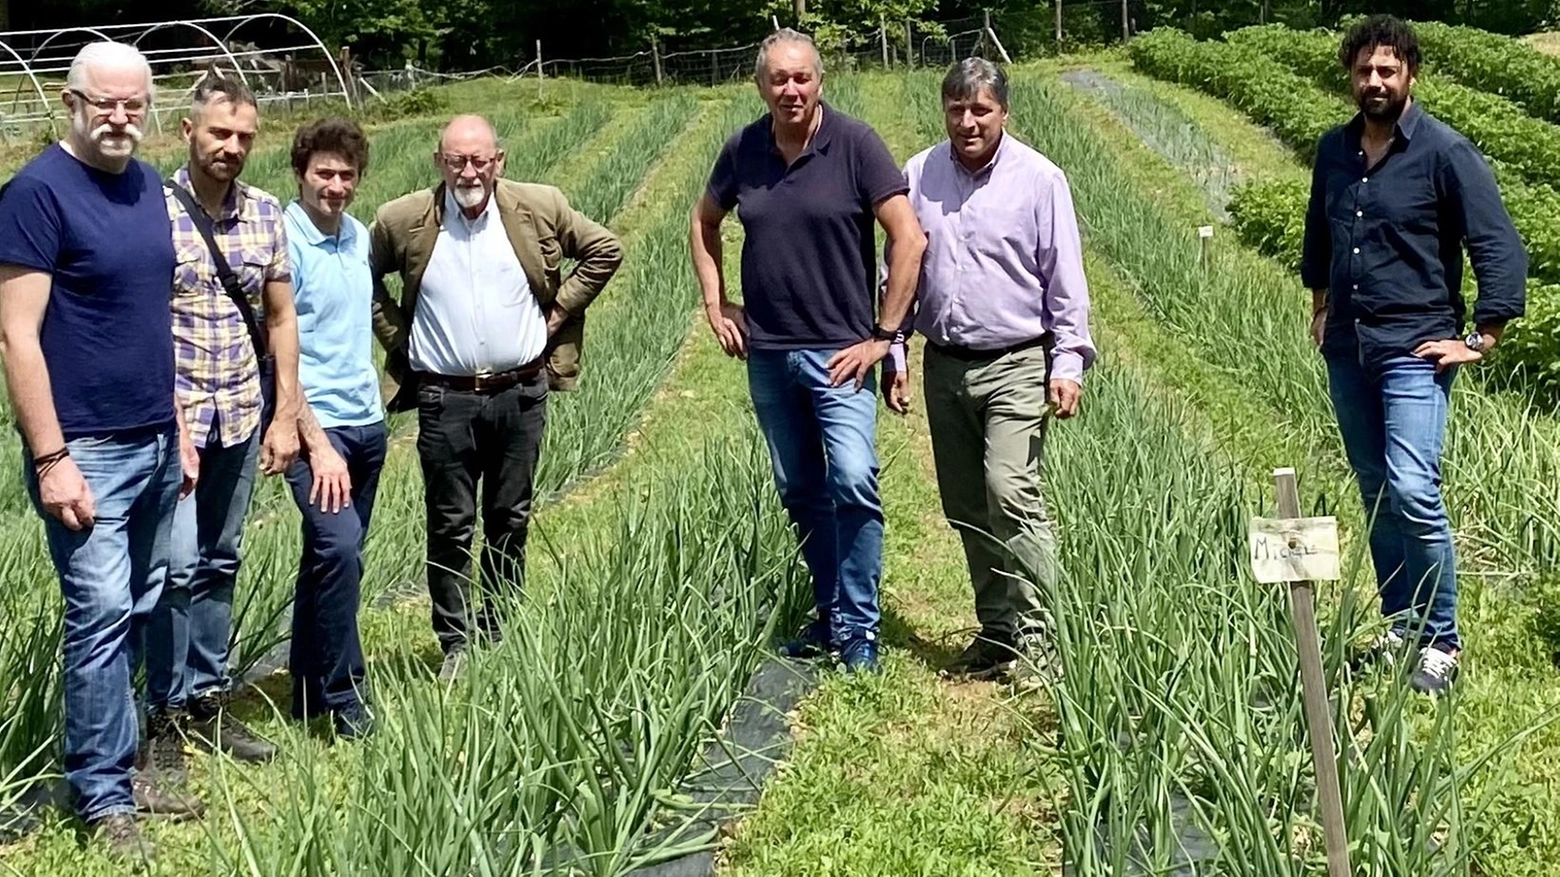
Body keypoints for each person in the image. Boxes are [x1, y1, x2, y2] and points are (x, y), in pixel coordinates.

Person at [0, 41, 201, 860]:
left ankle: (135, 765)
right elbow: (16, 335)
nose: (121, 117)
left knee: (150, 604)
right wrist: (51, 458)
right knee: (100, 621)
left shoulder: (148, 184)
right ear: (71, 101)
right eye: (104, 103)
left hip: (155, 436)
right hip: (87, 448)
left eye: (134, 104)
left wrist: (179, 426)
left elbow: (152, 315)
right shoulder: (35, 193)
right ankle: (102, 796)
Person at [689, 28, 928, 673]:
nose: (790, 89)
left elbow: (909, 239)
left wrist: (883, 336)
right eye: (778, 79)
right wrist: (717, 303)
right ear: (761, 85)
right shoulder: (743, 149)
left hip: (839, 352)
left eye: (802, 77)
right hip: (768, 352)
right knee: (800, 487)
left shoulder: (855, 144)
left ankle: (860, 628)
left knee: (852, 479)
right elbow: (703, 221)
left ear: (819, 81)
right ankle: (830, 615)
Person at [1302, 15, 1527, 694]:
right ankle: (1402, 624)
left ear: (1410, 76)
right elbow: (1320, 235)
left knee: (1411, 487)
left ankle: (1443, 641)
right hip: (1350, 346)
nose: (1375, 81)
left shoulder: (1444, 152)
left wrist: (1482, 335)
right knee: (1376, 492)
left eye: (1387, 70)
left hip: (1415, 349)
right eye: (1365, 70)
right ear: (1351, 75)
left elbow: (1499, 246)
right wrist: (1318, 306)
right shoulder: (1335, 152)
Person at [370, 114, 624, 679]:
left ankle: (499, 626)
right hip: (445, 398)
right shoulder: (403, 219)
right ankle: (456, 642)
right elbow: (360, 277)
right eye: (457, 160)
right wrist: (402, 341)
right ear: (439, 162)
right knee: (451, 522)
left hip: (521, 393)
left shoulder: (538, 207)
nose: (469, 171)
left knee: (509, 516)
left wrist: (557, 315)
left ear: (498, 160)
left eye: (479, 159)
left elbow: (605, 249)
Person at [883, 58, 1094, 684]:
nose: (968, 121)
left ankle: (1043, 634)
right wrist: (893, 346)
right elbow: (899, 265)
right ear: (944, 110)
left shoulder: (1039, 180)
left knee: (1010, 492)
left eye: (981, 110)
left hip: (1018, 360)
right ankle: (998, 630)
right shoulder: (918, 175)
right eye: (957, 109)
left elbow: (1065, 278)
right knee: (966, 505)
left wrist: (1069, 361)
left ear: (1003, 112)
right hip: (945, 363)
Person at [142, 76, 302, 777]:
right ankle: (164, 712)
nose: (231, 147)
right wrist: (166, 419)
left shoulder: (266, 213)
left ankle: (209, 697)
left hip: (240, 410)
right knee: (173, 567)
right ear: (188, 132)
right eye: (219, 134)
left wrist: (286, 410)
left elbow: (280, 317)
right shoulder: (153, 211)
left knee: (221, 558)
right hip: (170, 421)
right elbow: (140, 322)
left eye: (243, 136)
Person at [282, 117, 385, 739]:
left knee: (331, 559)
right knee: (339, 547)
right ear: (301, 173)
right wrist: (315, 443)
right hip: (315, 428)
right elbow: (276, 349)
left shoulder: (357, 238)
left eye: (347, 175)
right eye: (324, 173)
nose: (336, 185)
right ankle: (346, 700)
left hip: (366, 421)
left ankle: (303, 687)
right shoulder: (285, 242)